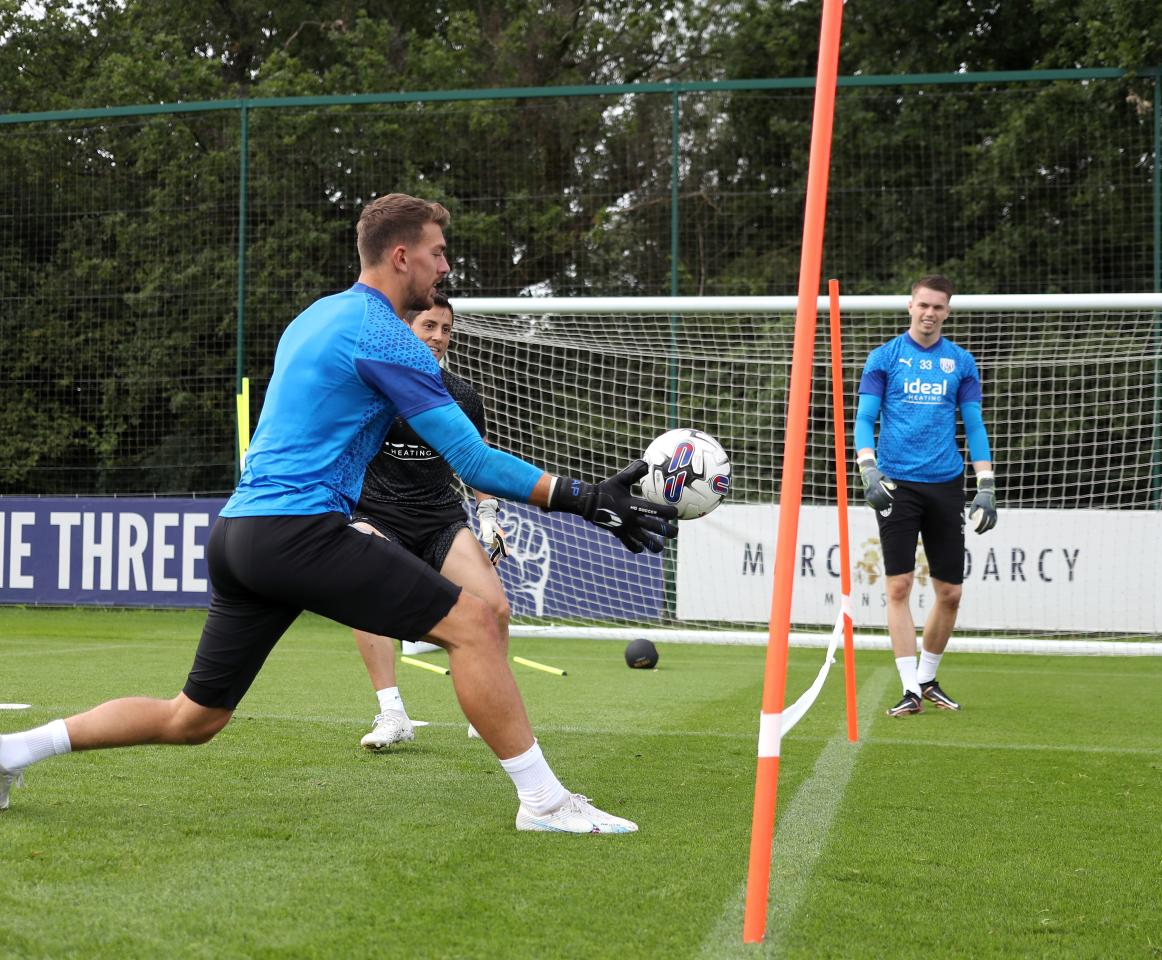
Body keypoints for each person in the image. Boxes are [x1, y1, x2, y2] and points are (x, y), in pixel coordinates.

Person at [0, 193, 677, 833]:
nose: (446, 266)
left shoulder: (314, 316)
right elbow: (471, 463)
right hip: (296, 530)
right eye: (438, 252)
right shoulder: (386, 337)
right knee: (474, 623)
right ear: (401, 256)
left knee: (193, 718)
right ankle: (545, 802)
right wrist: (587, 498)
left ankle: (12, 751)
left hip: (240, 536)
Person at [349, 292, 510, 751]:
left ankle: (488, 707)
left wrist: (489, 514)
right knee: (364, 587)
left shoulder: (460, 394)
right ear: (406, 328)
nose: (438, 337)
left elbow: (479, 460)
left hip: (439, 516)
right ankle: (392, 713)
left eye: (445, 329)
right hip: (377, 512)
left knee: (495, 607)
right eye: (429, 326)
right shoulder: (374, 386)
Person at [854, 274, 997, 717]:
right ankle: (909, 688)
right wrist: (868, 468)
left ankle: (928, 677)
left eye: (938, 307)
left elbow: (973, 426)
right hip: (896, 482)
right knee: (897, 584)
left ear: (947, 312)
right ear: (909, 306)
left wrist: (986, 483)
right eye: (923, 305)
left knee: (950, 592)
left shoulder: (961, 363)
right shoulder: (884, 358)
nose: (929, 313)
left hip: (947, 483)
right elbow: (863, 419)